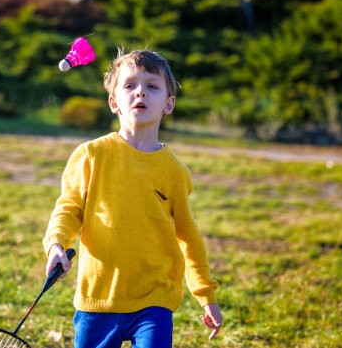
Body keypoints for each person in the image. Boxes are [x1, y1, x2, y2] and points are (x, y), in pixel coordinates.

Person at [43, 49, 223, 347]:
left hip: (154, 299)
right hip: (98, 298)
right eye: (129, 85)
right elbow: (69, 208)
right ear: (114, 102)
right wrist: (56, 245)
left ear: (169, 104)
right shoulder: (91, 155)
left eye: (152, 86)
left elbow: (188, 236)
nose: (140, 92)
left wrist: (205, 293)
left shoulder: (175, 171)